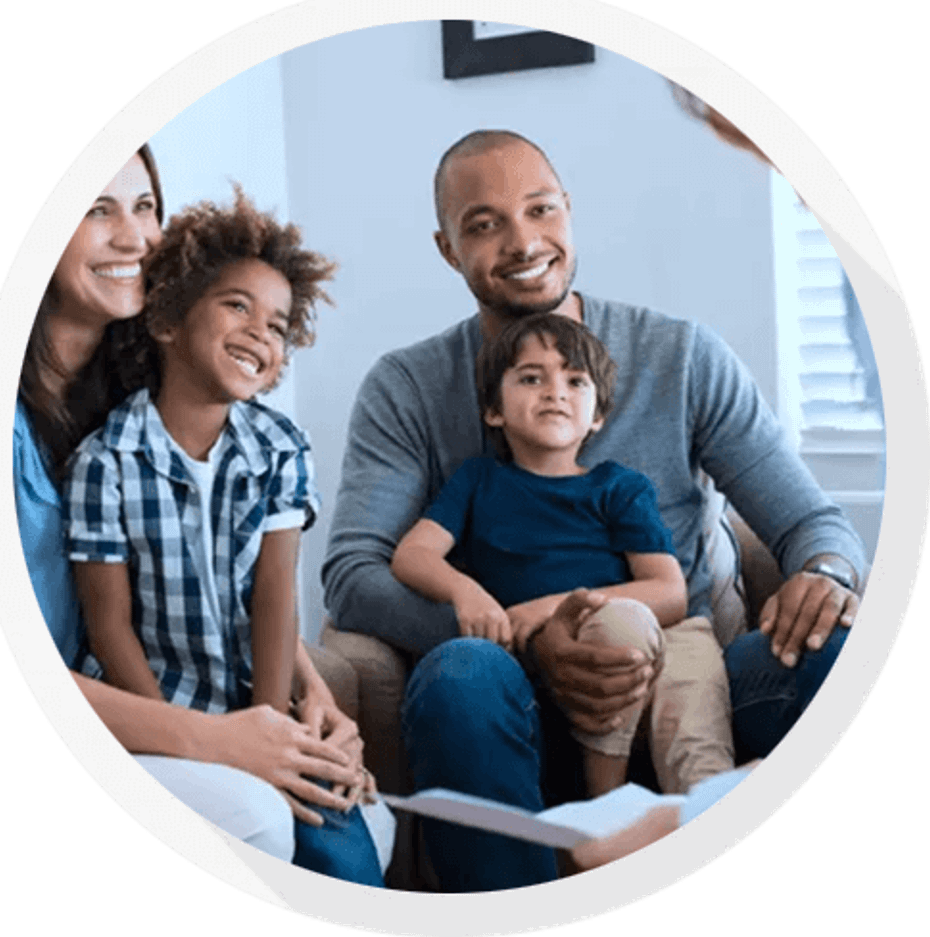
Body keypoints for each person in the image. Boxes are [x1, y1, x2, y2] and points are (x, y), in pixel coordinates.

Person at [322, 129, 866, 891]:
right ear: (448, 249)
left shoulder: (680, 356)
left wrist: (826, 571)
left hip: (687, 670)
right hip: (509, 691)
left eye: (540, 210)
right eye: (484, 224)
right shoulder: (408, 387)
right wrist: (528, 637)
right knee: (460, 676)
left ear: (569, 213)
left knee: (840, 644)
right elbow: (354, 574)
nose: (523, 241)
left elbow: (815, 526)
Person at [14, 150, 392, 880]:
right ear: (171, 319)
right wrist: (203, 737)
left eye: (145, 206)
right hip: (131, 705)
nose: (133, 237)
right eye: (97, 207)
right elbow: (104, 625)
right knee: (262, 817)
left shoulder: (266, 441)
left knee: (349, 818)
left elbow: (268, 592)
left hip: (224, 703)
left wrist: (301, 718)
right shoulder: (103, 455)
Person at [391, 313, 734, 799]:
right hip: (567, 653)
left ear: (597, 416)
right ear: (494, 409)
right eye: (532, 378)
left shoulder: (619, 486)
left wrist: (543, 608)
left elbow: (669, 592)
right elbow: (413, 555)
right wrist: (465, 592)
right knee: (619, 627)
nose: (555, 391)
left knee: (697, 743)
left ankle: (697, 823)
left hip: (666, 634)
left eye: (575, 380)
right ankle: (602, 813)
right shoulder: (477, 481)